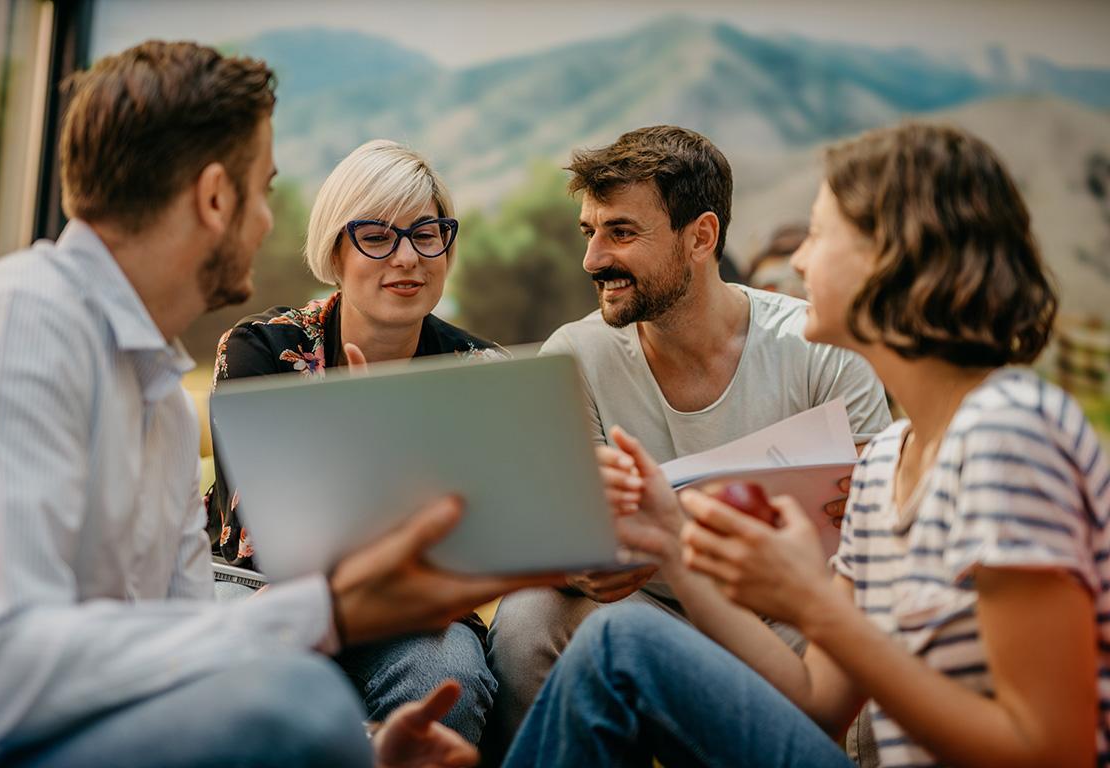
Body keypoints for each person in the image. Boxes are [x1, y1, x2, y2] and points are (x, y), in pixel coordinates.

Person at [0, 40, 556, 767]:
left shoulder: (162, 404)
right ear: (216, 198)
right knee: (296, 706)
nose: (270, 222)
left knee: (367, 698)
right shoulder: (17, 326)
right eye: (265, 188)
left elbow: (184, 648)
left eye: (425, 234)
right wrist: (327, 621)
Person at [503, 122, 1109, 768]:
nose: (795, 261)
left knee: (619, 644)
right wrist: (669, 546)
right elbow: (817, 701)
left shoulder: (1006, 435)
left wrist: (812, 606)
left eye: (819, 235)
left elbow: (1056, 752)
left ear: (899, 257)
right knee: (616, 639)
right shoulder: (882, 463)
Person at [485, 125, 892, 750]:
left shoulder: (818, 349)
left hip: (783, 614)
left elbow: (871, 527)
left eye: (621, 232)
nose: (593, 259)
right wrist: (578, 567)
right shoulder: (575, 354)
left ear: (700, 237)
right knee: (529, 616)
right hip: (643, 606)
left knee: (865, 627)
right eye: (589, 232)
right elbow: (571, 528)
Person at [208, 139, 506, 744]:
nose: (407, 258)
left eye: (427, 234)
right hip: (260, 595)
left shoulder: (480, 370)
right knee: (255, 684)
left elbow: (490, 533)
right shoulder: (260, 350)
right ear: (335, 249)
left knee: (450, 675)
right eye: (377, 235)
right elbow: (265, 525)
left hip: (414, 611)